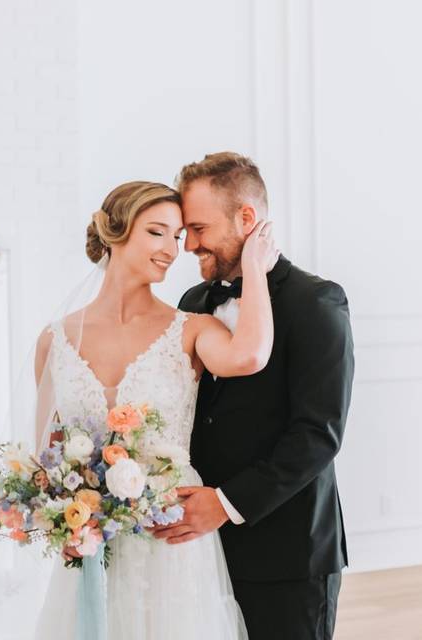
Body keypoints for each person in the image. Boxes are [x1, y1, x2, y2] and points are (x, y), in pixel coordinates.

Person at [32, 180, 278, 639]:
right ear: (116, 232)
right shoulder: (54, 341)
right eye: (157, 232)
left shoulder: (192, 329)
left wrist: (255, 269)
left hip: (171, 532)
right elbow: (48, 452)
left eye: (178, 234)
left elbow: (249, 356)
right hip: (92, 538)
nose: (173, 248)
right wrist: (61, 516)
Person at [154, 152, 355, 640]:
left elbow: (318, 434)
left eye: (199, 229)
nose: (189, 246)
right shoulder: (193, 303)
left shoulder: (317, 301)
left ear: (247, 218)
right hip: (201, 550)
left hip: (288, 549)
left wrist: (225, 503)